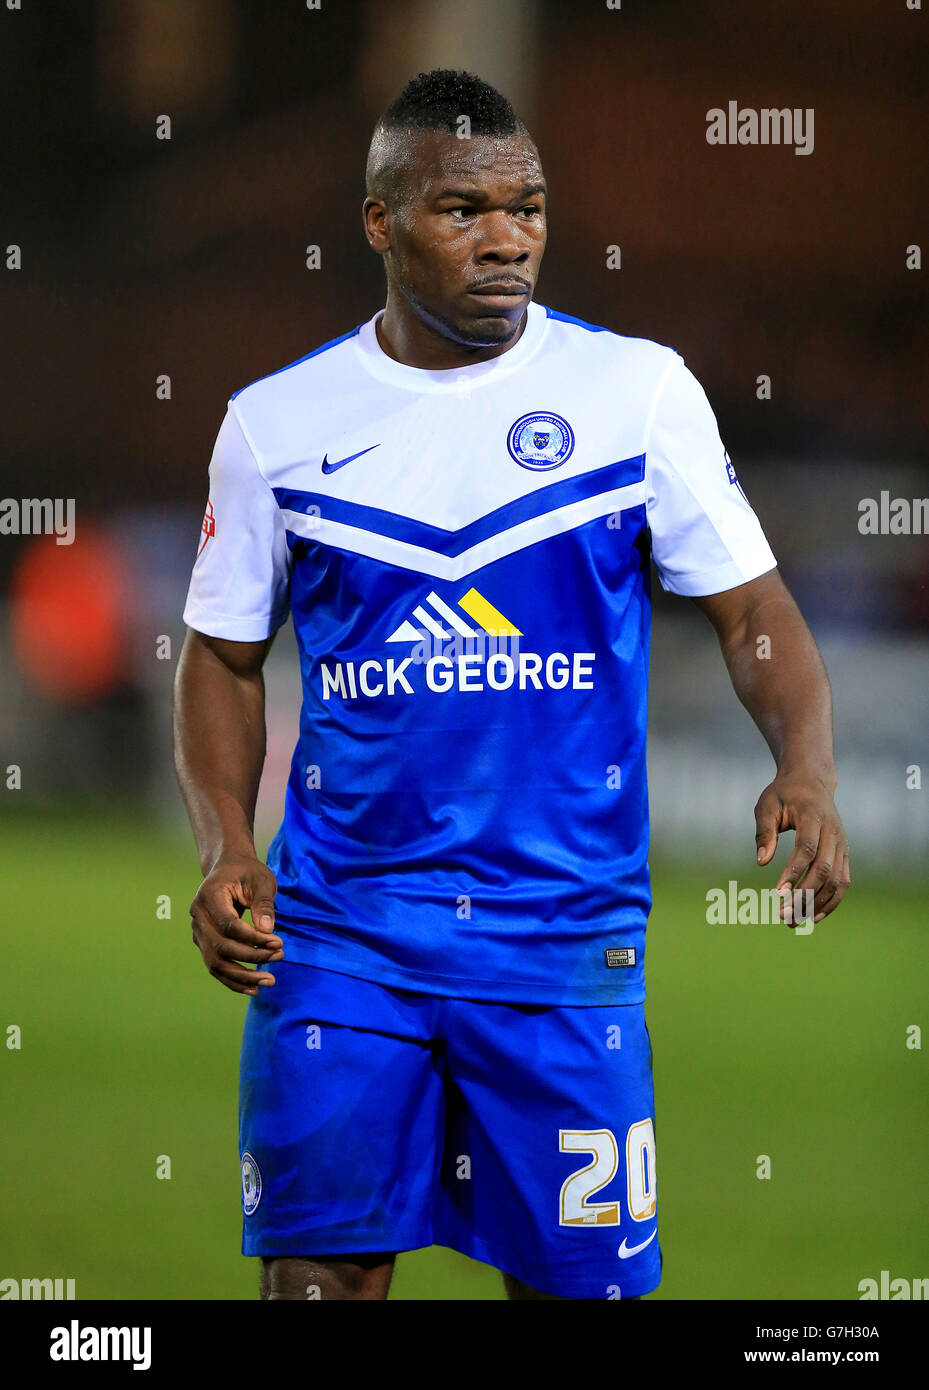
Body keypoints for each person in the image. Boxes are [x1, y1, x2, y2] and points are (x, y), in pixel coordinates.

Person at [174, 69, 850, 1301]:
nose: (508, 241)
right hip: (339, 939)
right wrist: (226, 843)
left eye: (527, 208)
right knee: (313, 1286)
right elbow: (219, 655)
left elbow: (752, 608)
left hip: (561, 945)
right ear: (380, 222)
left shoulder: (633, 394)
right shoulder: (276, 422)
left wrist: (799, 763)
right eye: (464, 210)